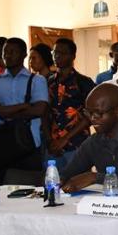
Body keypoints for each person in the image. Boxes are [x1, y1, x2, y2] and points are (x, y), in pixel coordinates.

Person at [0, 38, 49, 184]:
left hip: (29, 143)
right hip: (2, 143)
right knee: (2, 187)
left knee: (32, 187)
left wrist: (6, 111)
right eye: (5, 52)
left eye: (12, 52)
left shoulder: (37, 80)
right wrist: (23, 106)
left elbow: (39, 110)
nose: (7, 56)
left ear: (23, 54)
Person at [48, 38, 96, 171]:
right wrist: (50, 140)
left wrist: (65, 139)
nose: (57, 56)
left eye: (62, 53)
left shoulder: (84, 82)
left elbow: (91, 116)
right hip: (52, 145)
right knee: (53, 185)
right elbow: (45, 113)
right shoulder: (49, 82)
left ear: (73, 56)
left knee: (78, 184)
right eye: (55, 52)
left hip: (77, 143)